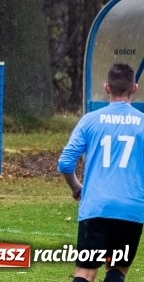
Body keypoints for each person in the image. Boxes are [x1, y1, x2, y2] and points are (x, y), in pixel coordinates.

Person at [58, 62, 144, 282]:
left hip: (95, 206)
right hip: (130, 208)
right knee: (116, 270)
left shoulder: (90, 121)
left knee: (85, 273)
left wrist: (77, 187)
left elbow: (66, 163)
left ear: (107, 88)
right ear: (134, 88)